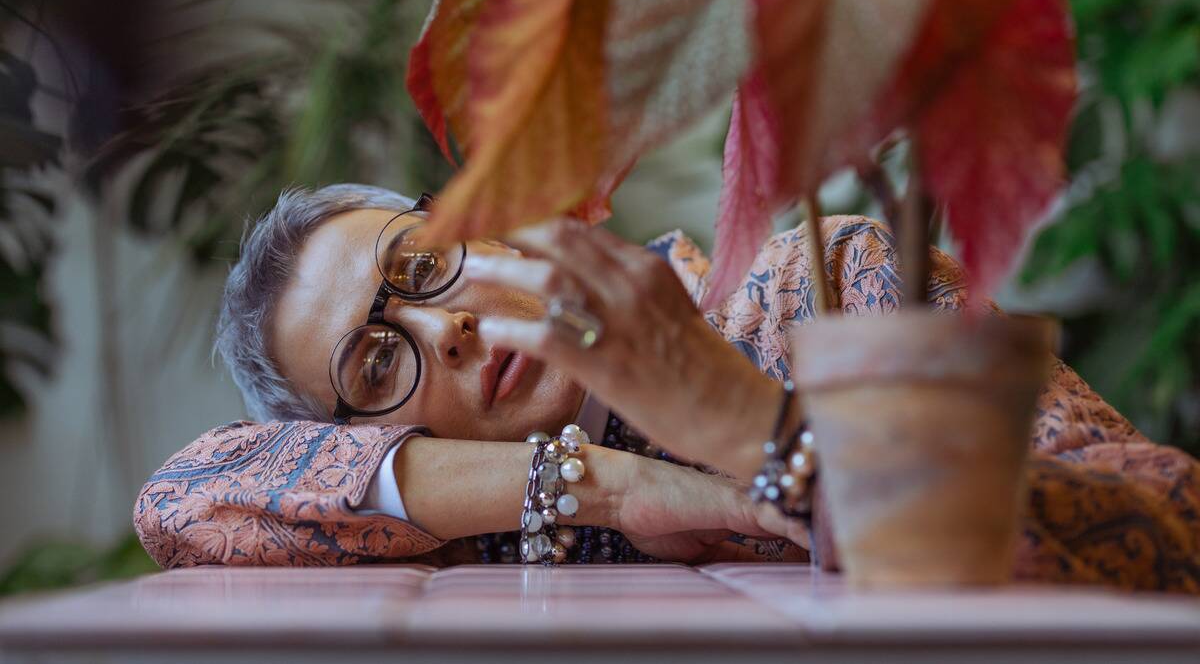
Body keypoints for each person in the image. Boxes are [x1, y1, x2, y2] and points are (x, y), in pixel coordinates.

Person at [135, 184, 1199, 591]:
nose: (446, 327)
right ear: (358, 434)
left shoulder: (819, 290)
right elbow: (180, 500)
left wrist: (753, 430)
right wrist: (587, 487)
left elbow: (1171, 524)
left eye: (422, 266)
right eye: (378, 361)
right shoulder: (462, 515)